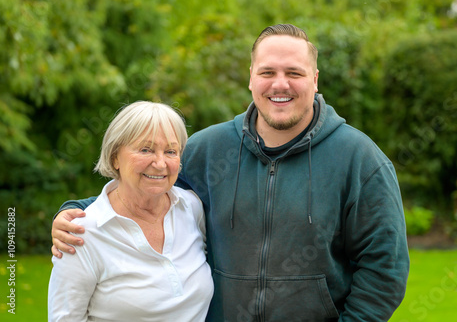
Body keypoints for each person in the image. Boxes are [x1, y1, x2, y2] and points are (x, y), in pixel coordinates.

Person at [52, 24, 409, 321]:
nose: (280, 84)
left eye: (294, 73)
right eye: (268, 72)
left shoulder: (360, 159)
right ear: (251, 78)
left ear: (315, 79)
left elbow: (385, 269)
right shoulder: (208, 149)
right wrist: (74, 210)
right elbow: (148, 185)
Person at [48, 101, 213, 321]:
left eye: (171, 151)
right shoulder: (80, 233)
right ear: (115, 156)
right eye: (146, 149)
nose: (160, 163)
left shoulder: (191, 208)